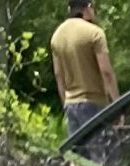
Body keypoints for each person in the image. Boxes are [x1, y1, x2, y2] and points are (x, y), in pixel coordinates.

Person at [50, 0, 118, 132]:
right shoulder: (94, 33)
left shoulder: (57, 36)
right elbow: (106, 72)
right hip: (94, 103)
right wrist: (117, 105)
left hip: (71, 105)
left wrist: (66, 103)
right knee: (103, 151)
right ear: (88, 8)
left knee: (79, 152)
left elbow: (58, 74)